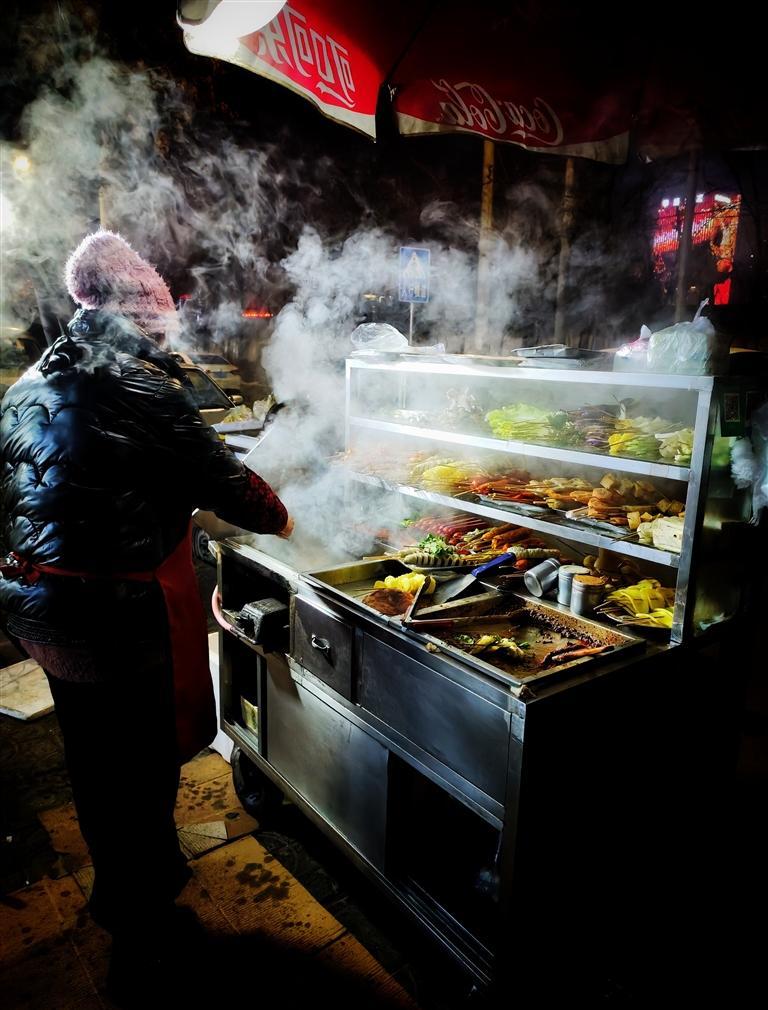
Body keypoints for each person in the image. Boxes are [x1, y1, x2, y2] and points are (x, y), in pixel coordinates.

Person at [0, 231, 293, 1001]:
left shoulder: (31, 376)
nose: (168, 327)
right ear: (141, 310)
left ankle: (132, 889)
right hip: (113, 612)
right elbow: (234, 488)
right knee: (137, 767)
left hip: (38, 609)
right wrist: (286, 518)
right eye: (162, 313)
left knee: (95, 758)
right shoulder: (139, 383)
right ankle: (142, 930)